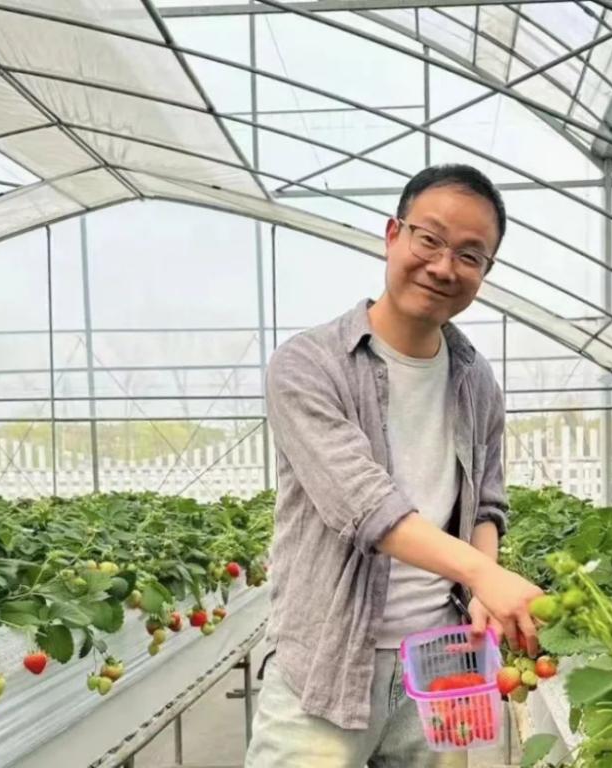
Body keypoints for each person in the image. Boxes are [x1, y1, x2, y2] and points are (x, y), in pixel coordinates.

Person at [244, 164, 543, 768]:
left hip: (446, 657)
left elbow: (486, 503)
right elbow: (363, 505)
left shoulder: (475, 379)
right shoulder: (310, 365)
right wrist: (484, 575)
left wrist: (482, 585)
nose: (443, 266)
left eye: (470, 255)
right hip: (329, 663)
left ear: (484, 271)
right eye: (429, 239)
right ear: (392, 234)